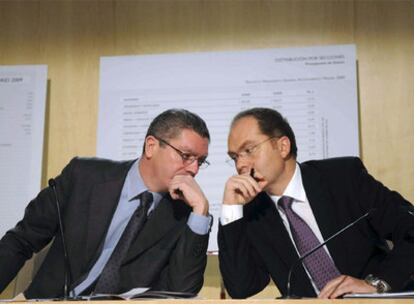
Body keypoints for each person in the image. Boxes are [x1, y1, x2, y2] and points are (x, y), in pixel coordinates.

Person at [0, 108, 212, 299]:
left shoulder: (185, 217)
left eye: (200, 161)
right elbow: (21, 240)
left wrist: (201, 212)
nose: (194, 170)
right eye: (186, 156)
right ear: (151, 146)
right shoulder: (83, 177)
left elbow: (181, 293)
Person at [218, 107, 414, 299]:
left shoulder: (343, 178)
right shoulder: (253, 213)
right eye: (235, 157)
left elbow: (410, 228)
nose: (240, 165)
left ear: (282, 146)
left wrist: (376, 284)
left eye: (249, 150)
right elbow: (242, 288)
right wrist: (231, 209)